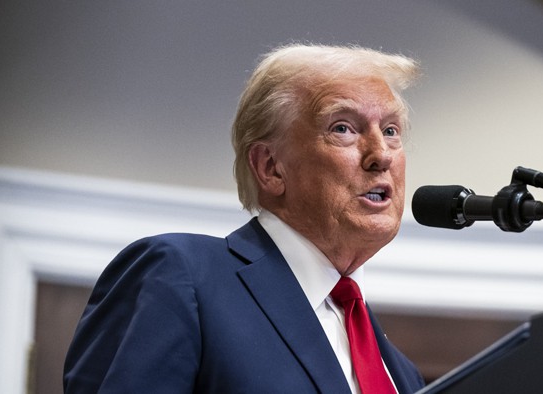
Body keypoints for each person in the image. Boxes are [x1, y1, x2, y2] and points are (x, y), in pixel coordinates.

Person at [63, 43, 424, 393]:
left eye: (391, 131)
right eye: (343, 128)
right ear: (270, 168)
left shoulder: (402, 375)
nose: (381, 155)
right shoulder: (180, 276)